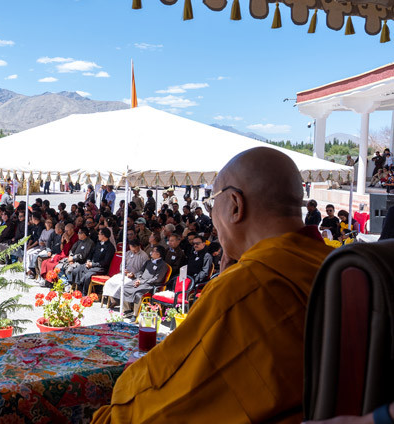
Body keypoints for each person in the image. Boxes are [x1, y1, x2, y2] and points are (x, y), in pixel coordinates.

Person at [92, 146, 334, 424]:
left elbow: (159, 398)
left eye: (212, 202)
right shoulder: (338, 268)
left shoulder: (248, 287)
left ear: (234, 205)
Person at [118, 245, 169, 320]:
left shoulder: (163, 265)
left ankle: (135, 314)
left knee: (137, 293)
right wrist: (137, 278)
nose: (151, 252)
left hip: (150, 285)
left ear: (158, 254)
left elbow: (157, 279)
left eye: (153, 251)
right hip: (140, 281)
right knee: (124, 287)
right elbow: (141, 271)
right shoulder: (148, 262)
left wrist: (141, 282)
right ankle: (127, 310)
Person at [67, 227, 115, 295]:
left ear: (103, 235)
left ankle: (85, 293)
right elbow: (91, 253)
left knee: (87, 276)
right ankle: (77, 288)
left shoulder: (110, 247)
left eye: (99, 234)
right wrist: (88, 261)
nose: (98, 235)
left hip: (100, 268)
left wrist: (92, 264)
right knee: (76, 270)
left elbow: (105, 262)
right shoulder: (98, 244)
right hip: (91, 264)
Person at [103, 239, 149, 308]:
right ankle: (114, 301)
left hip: (135, 276)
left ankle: (126, 306)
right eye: (132, 250)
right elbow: (122, 265)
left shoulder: (144, 256)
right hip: (124, 274)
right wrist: (124, 270)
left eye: (134, 250)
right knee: (110, 282)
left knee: (123, 285)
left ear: (139, 247)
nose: (133, 251)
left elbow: (143, 270)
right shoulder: (128, 253)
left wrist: (134, 275)